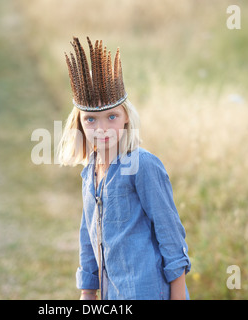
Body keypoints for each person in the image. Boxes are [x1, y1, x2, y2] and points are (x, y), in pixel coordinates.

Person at [58, 37, 191, 300]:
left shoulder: (143, 165)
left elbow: (170, 233)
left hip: (147, 290)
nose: (102, 128)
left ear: (126, 116)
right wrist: (88, 291)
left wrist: (179, 296)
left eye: (112, 117)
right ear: (80, 123)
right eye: (90, 120)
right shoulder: (90, 172)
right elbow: (89, 235)